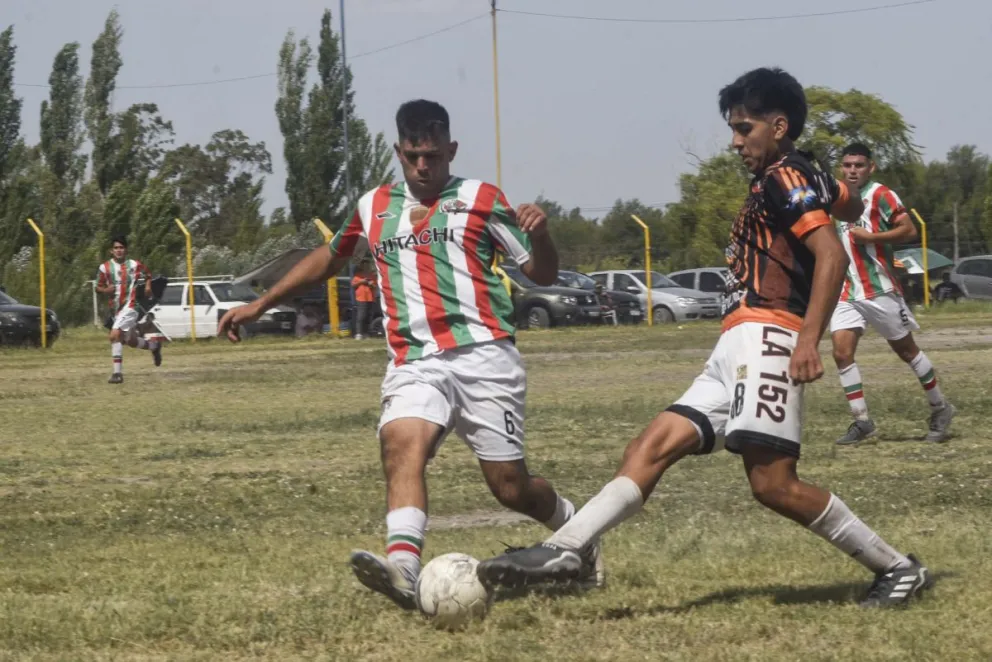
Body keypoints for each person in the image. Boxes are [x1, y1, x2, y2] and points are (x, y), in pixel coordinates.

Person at [477, 68, 931, 609]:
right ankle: (567, 550)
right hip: (736, 342)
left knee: (773, 485)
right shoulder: (799, 173)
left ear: (779, 126)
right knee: (651, 446)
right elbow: (850, 205)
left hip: (772, 335)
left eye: (745, 128)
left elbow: (831, 255)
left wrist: (809, 340)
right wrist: (832, 190)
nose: (736, 142)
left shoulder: (785, 178)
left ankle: (897, 567)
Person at [217, 99, 601, 610]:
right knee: (401, 444)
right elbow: (329, 260)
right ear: (399, 151)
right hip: (414, 359)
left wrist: (543, 235)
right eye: (414, 156)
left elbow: (544, 274)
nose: (424, 167)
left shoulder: (480, 197)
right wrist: (261, 303)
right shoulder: (372, 206)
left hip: (484, 354)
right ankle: (403, 568)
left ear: (452, 150)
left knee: (511, 489)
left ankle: (581, 534)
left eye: (435, 156)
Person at [830, 143, 955, 445]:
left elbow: (909, 230)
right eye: (847, 165)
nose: (852, 171)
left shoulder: (881, 195)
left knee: (907, 352)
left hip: (879, 287)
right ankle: (862, 421)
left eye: (859, 165)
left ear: (870, 167)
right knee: (841, 352)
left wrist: (872, 237)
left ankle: (941, 408)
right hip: (847, 290)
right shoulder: (835, 198)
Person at [95, 235, 162, 384]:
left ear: (126, 250)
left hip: (131, 306)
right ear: (111, 251)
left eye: (121, 247)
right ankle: (154, 346)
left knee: (114, 335)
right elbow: (97, 287)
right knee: (130, 341)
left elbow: (148, 273)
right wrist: (106, 291)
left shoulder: (134, 264)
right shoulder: (104, 267)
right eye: (116, 248)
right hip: (116, 310)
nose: (119, 250)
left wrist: (148, 286)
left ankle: (117, 374)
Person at [351, 260, 377, 339]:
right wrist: (361, 281)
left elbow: (375, 286)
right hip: (361, 298)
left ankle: (366, 333)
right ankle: (359, 333)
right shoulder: (357, 276)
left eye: (367, 265)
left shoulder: (372, 275)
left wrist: (371, 284)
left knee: (369, 316)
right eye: (364, 265)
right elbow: (353, 285)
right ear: (361, 266)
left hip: (370, 298)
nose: (366, 266)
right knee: (361, 316)